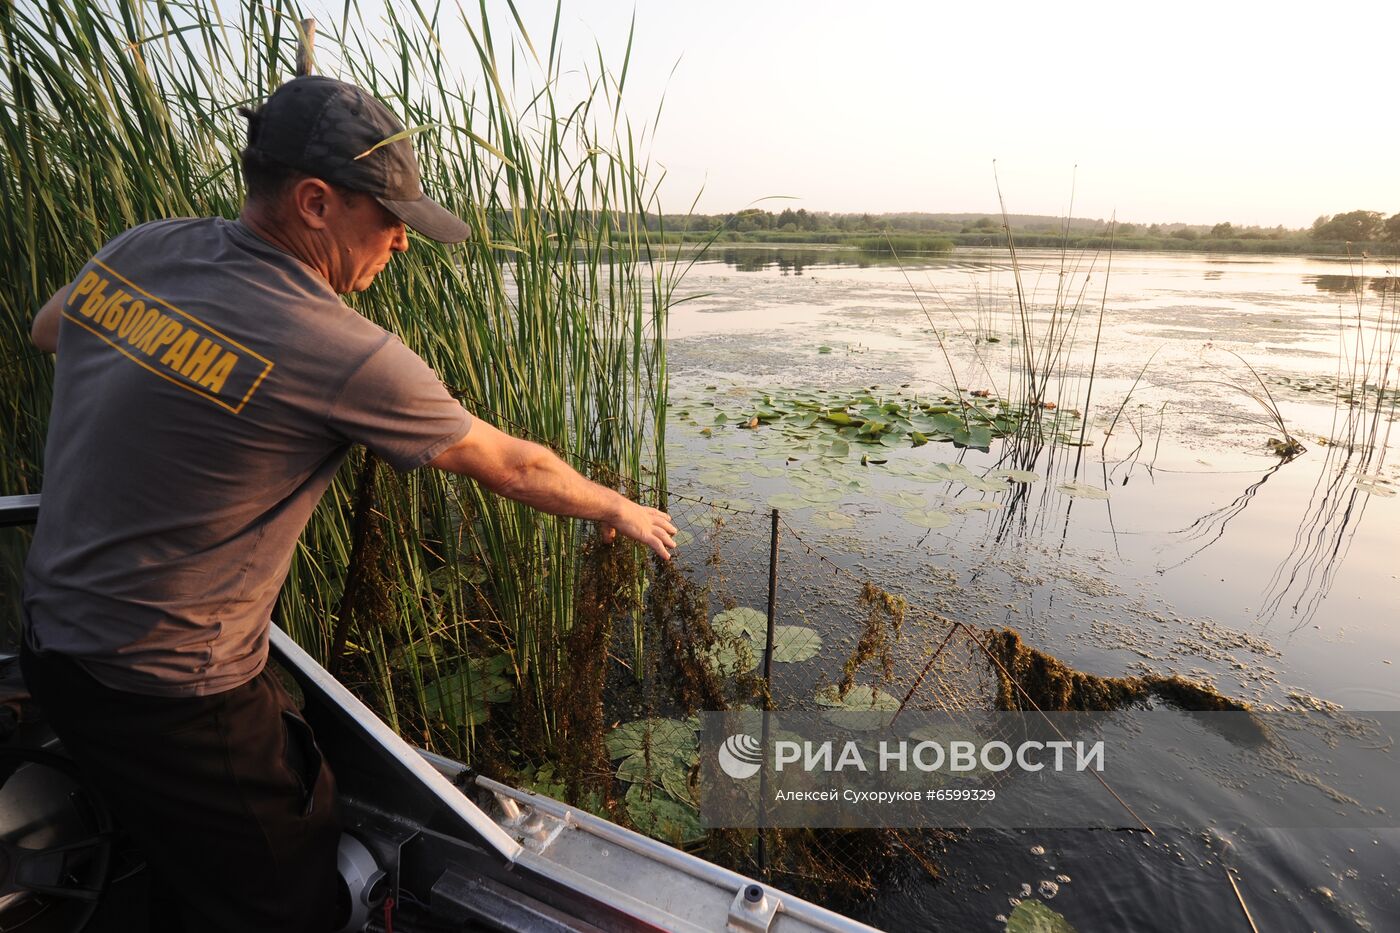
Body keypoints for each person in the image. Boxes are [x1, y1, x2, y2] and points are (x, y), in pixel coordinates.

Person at [20, 74, 675, 932]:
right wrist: (617, 507)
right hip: (171, 691)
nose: (402, 243)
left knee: (213, 833)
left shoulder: (145, 246)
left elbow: (47, 327)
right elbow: (514, 465)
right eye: (391, 218)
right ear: (317, 202)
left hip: (52, 649)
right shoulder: (342, 351)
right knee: (297, 900)